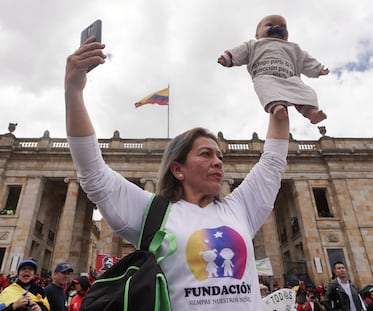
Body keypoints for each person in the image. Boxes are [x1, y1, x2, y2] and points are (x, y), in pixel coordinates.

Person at [64, 36, 289, 310]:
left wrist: (277, 93)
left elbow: (273, 161)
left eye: (220, 156)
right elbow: (93, 172)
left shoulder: (240, 208)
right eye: (206, 154)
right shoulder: (152, 213)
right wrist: (73, 91)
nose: (218, 162)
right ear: (177, 169)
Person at [218, 14, 329, 124]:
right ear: (257, 34)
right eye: (270, 24)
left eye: (282, 26)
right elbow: (240, 52)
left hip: (290, 79)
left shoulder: (293, 48)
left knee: (307, 93)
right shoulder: (253, 45)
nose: (277, 27)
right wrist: (227, 58)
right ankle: (276, 108)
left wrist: (317, 69)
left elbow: (305, 59)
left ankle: (311, 113)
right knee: (267, 90)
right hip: (266, 77)